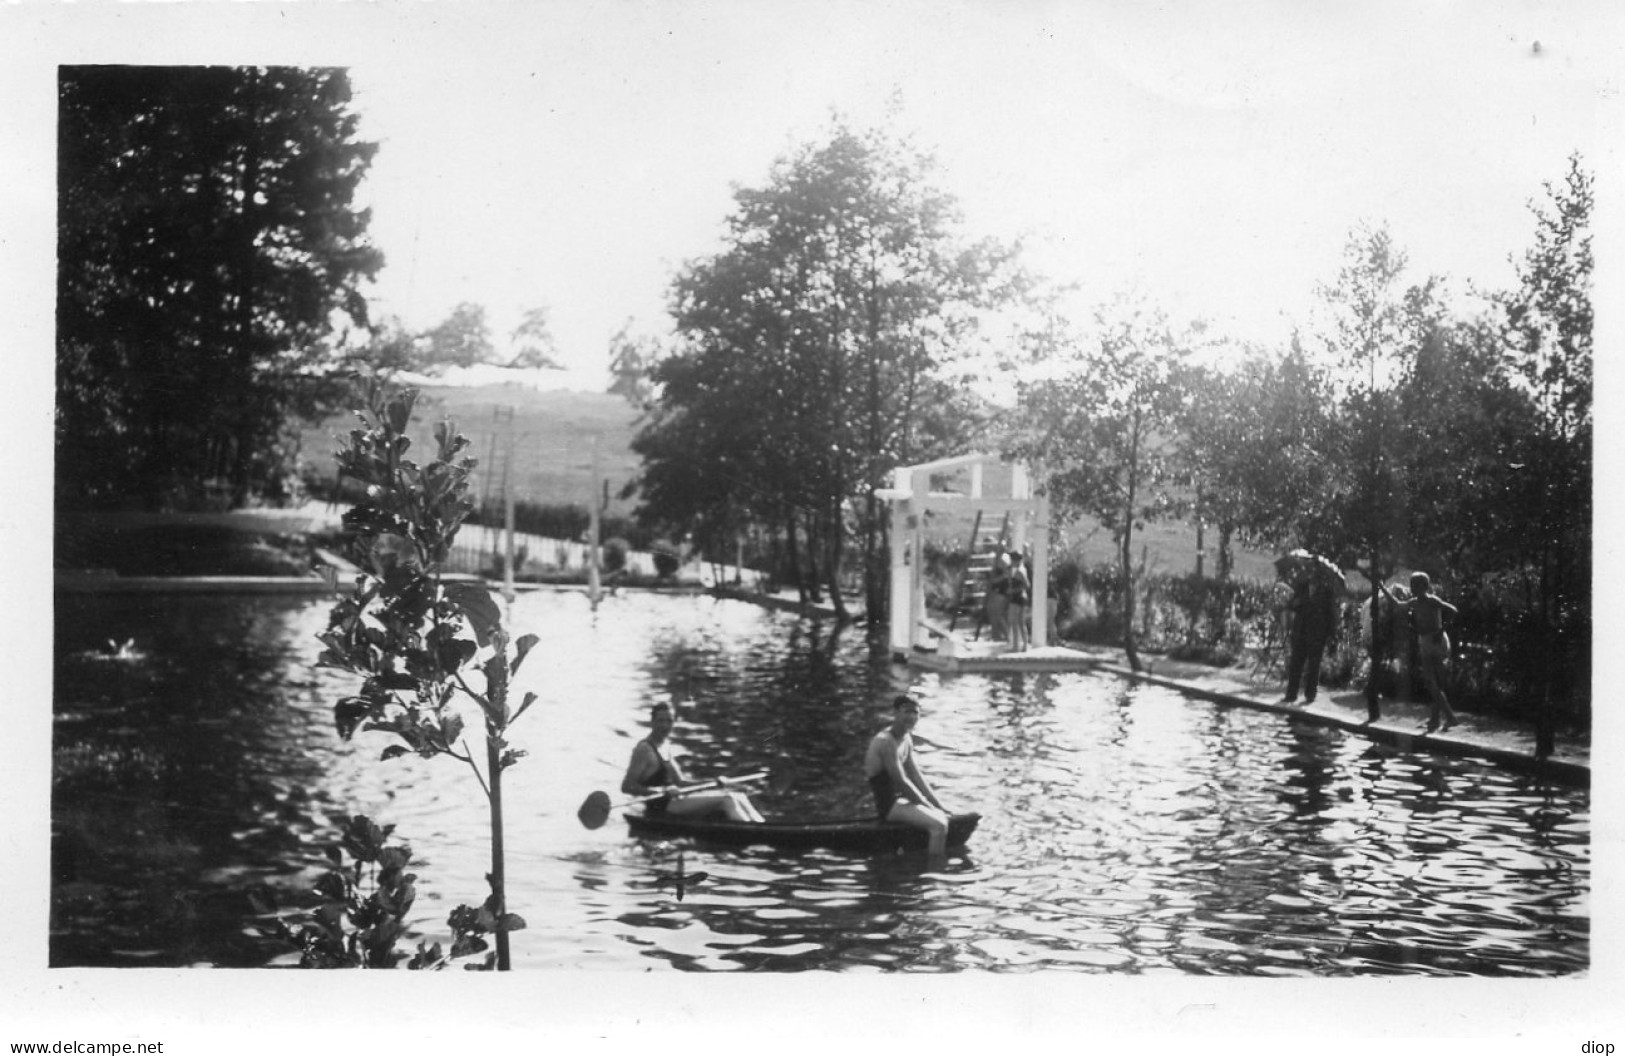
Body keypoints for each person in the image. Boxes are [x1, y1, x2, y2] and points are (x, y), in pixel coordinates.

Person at [622, 702, 765, 822]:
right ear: (652, 722)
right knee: (727, 799)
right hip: (661, 805)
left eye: (669, 721)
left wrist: (714, 781)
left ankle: (761, 826)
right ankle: (752, 832)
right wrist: (660, 790)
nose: (665, 726)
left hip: (675, 800)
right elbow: (627, 786)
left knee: (737, 795)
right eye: (661, 720)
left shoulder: (666, 746)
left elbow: (681, 782)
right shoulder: (644, 749)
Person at [864, 694, 951, 857]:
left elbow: (916, 776)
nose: (911, 716)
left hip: (902, 802)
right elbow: (902, 782)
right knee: (939, 826)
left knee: (941, 815)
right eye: (906, 711)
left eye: (915, 712)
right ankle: (934, 875)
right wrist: (928, 806)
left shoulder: (906, 738)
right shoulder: (885, 741)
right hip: (889, 806)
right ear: (895, 713)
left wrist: (938, 805)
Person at [1382, 571, 1460, 733]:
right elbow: (1397, 605)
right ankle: (1436, 719)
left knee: (1433, 682)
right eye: (1412, 586)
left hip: (1436, 641)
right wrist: (1382, 588)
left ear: (1425, 586)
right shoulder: (1414, 602)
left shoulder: (1432, 600)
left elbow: (1453, 611)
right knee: (1433, 683)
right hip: (1424, 641)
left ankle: (1449, 717)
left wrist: (1441, 631)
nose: (1413, 589)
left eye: (1416, 586)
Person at [1279, 552, 1339, 706]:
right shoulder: (1301, 586)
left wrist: (1332, 634)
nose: (1310, 572)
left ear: (1319, 572)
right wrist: (1296, 602)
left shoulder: (1326, 590)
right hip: (1301, 630)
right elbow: (1292, 605)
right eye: (1308, 569)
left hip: (1317, 632)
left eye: (1313, 569)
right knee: (1296, 663)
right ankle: (1291, 694)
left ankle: (1310, 695)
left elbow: (1331, 613)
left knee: (1314, 664)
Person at [1006, 549, 1031, 651]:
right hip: (1021, 597)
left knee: (1014, 622)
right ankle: (1024, 645)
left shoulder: (1020, 571)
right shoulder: (1018, 569)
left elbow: (1027, 585)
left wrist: (1012, 590)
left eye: (1012, 559)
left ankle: (1016, 646)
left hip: (1017, 597)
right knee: (1021, 623)